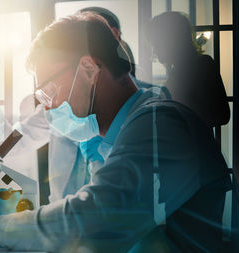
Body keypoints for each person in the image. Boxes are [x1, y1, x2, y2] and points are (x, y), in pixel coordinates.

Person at [0, 13, 238, 253]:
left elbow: (97, 221)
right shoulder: (129, 125)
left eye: (49, 90)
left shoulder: (160, 122)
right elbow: (23, 135)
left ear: (89, 68)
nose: (48, 107)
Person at [12, 7, 169, 204]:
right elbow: (25, 132)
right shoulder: (61, 103)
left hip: (85, 216)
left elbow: (108, 211)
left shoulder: (154, 115)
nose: (48, 108)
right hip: (66, 214)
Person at [148, 11, 230, 128]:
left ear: (170, 41)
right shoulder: (192, 67)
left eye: (156, 44)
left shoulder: (200, 66)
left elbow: (221, 115)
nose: (154, 51)